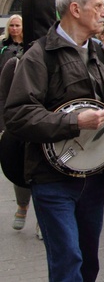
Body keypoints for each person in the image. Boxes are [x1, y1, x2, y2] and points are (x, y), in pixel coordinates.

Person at [4, 0, 104, 282]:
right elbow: (18, 115)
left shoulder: (101, 55)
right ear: (75, 9)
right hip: (51, 178)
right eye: (98, 6)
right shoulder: (39, 56)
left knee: (88, 261)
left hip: (93, 176)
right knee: (67, 260)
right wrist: (73, 122)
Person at [0, 14, 29, 231]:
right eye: (13, 25)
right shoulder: (8, 54)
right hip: (16, 118)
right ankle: (22, 205)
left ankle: (42, 218)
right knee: (18, 164)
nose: (16, 28)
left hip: (41, 118)